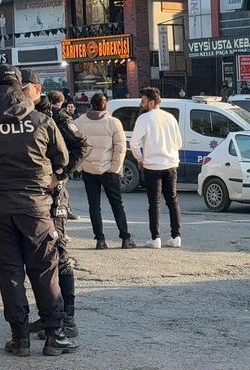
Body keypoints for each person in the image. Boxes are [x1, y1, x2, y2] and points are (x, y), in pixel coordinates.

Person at [0, 64, 75, 357]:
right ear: (20, 86)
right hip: (35, 207)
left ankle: (19, 338)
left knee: (9, 273)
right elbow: (63, 158)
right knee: (45, 270)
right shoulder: (41, 120)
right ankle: (54, 335)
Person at [24, 77, 92, 339]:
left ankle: (68, 318)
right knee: (39, 258)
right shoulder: (20, 115)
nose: (19, 93)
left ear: (37, 89)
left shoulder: (56, 116)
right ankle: (48, 315)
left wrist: (60, 175)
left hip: (54, 197)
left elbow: (82, 146)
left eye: (24, 88)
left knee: (59, 254)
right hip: (31, 197)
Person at [75, 93, 134, 250]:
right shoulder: (114, 122)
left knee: (94, 206)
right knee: (117, 204)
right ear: (105, 104)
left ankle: (100, 240)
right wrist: (114, 168)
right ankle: (125, 238)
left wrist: (80, 165)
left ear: (91, 104)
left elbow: (74, 145)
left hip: (88, 169)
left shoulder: (79, 122)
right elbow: (121, 148)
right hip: (108, 169)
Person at [130, 87, 182, 249]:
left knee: (154, 202)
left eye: (143, 101)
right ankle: (176, 236)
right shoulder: (170, 118)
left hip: (152, 165)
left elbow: (134, 144)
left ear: (151, 102)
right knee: (172, 200)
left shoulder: (144, 119)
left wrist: (140, 159)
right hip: (171, 164)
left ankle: (155, 238)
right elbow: (179, 143)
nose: (141, 103)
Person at [40, 89, 84, 220]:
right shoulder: (60, 116)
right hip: (60, 163)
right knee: (59, 196)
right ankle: (60, 231)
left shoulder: (42, 116)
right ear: (60, 102)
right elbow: (82, 145)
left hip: (45, 165)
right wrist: (65, 171)